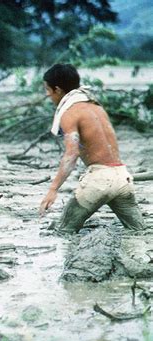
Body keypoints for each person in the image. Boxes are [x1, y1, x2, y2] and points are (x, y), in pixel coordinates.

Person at [39, 63, 145, 233]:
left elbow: (71, 155)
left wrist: (53, 190)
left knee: (63, 231)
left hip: (99, 181)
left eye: (47, 90)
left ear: (57, 90)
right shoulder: (96, 107)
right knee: (139, 231)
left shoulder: (70, 113)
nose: (47, 95)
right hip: (123, 178)